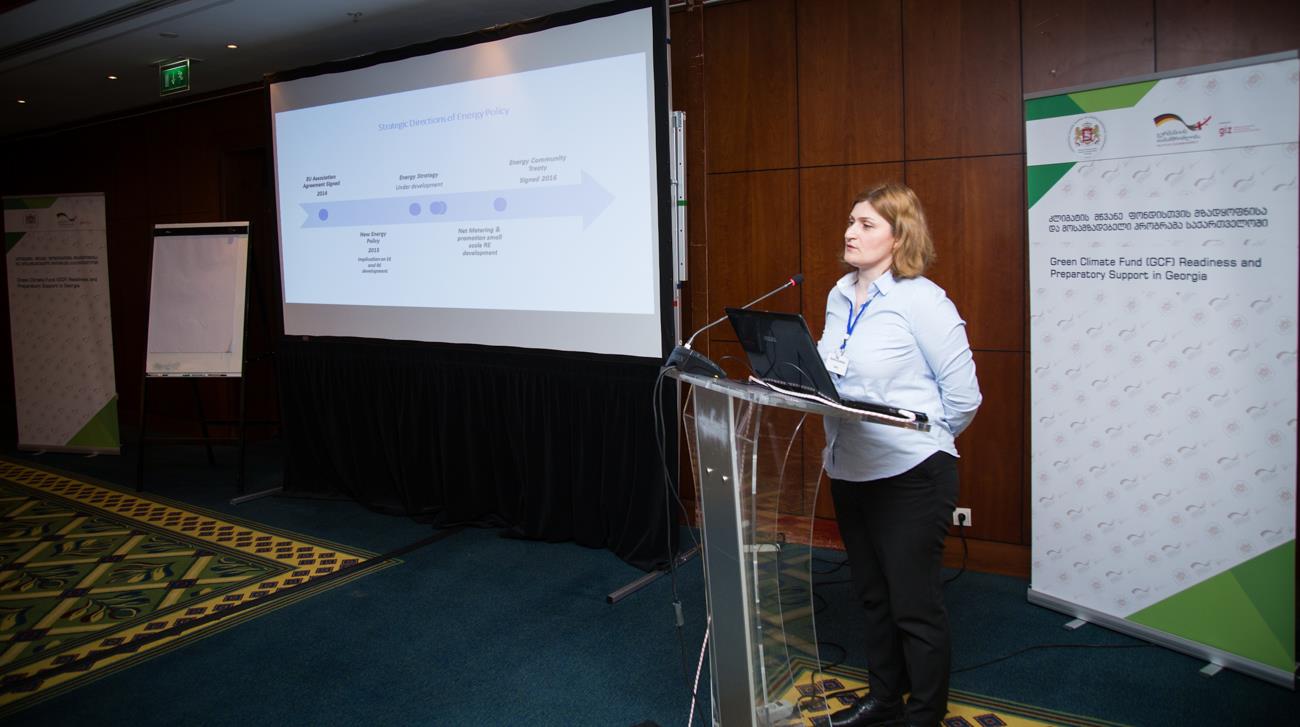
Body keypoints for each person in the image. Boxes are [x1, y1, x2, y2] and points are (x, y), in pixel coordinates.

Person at [817, 183, 981, 727]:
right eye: (850, 221)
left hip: (912, 474)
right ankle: (885, 700)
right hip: (849, 467)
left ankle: (924, 715)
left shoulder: (923, 301)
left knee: (914, 605)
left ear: (899, 236)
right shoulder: (839, 296)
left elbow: (964, 399)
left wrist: (921, 441)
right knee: (871, 596)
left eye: (866, 224)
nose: (850, 232)